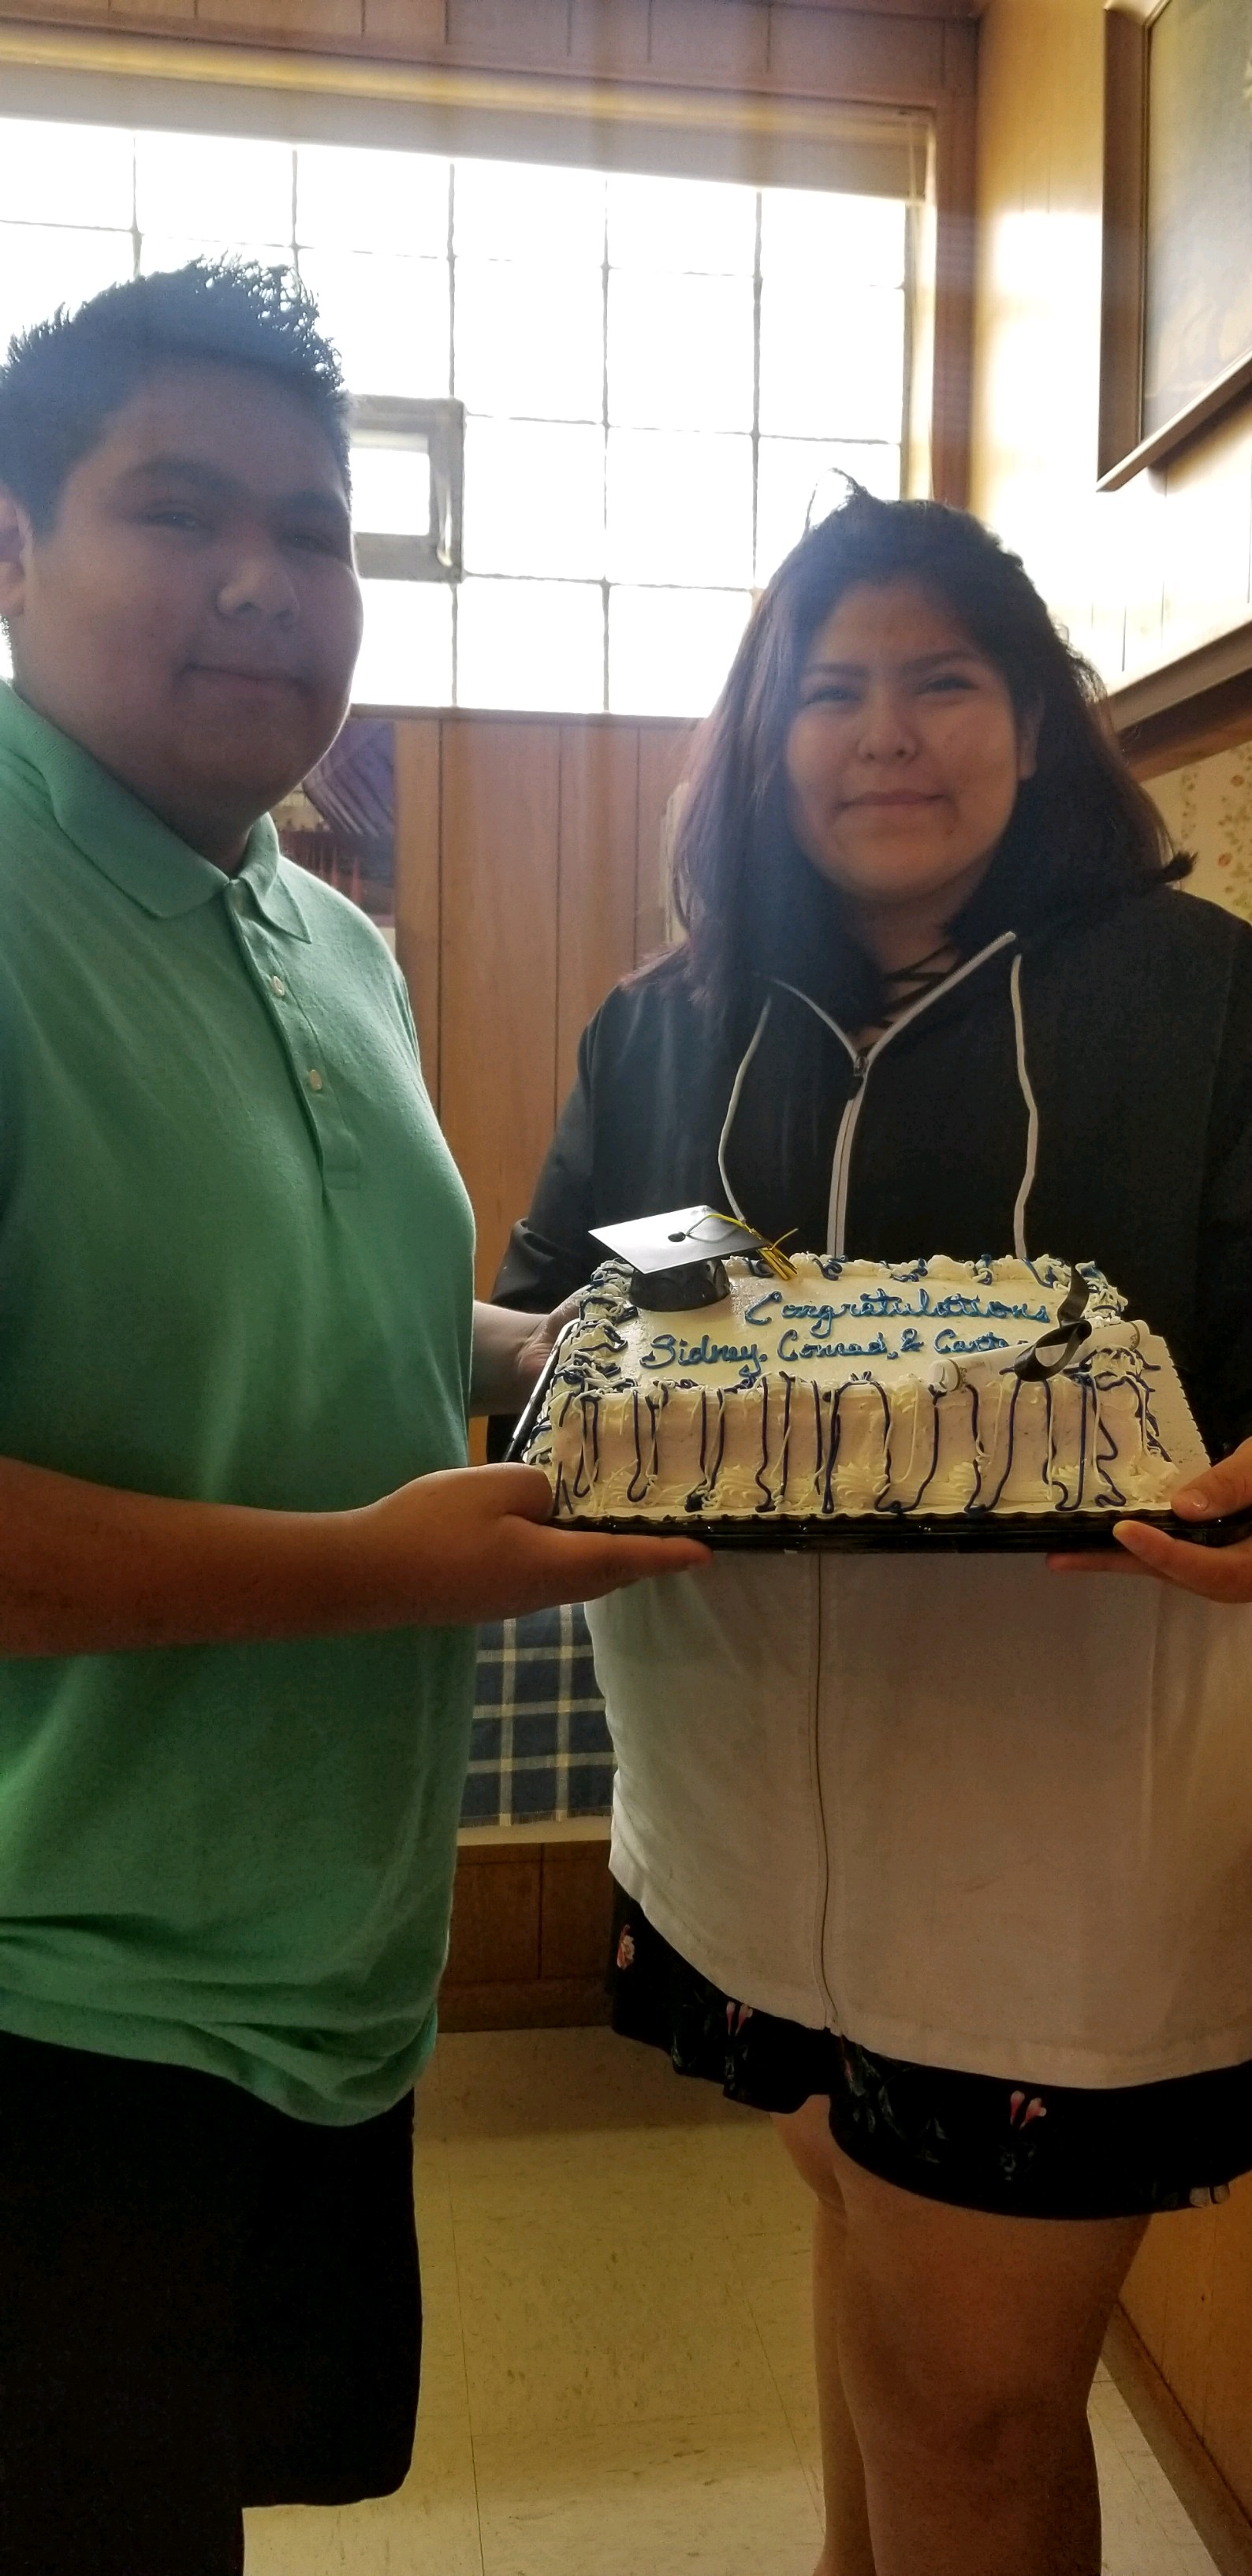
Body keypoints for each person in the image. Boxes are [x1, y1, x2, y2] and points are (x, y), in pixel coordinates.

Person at [0, 258, 706, 2576]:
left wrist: (569, 1359)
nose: (260, 580)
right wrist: (377, 1572)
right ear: (13, 548)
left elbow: (347, 1312)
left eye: (311, 530)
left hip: (321, 1968)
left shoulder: (327, 929)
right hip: (54, 1994)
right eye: (175, 510)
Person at [491, 486, 1252, 2576]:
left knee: (972, 2408)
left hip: (1058, 1817)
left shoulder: (1203, 997)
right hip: (735, 1787)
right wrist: (587, 1356)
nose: (885, 733)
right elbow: (539, 1306)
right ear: (764, 736)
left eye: (943, 681)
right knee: (864, 2258)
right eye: (831, 690)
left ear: (1036, 718)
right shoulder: (664, 1021)